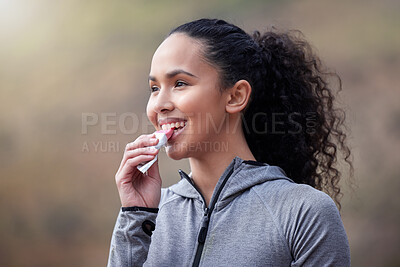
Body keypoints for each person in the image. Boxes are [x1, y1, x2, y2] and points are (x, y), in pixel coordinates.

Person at [107, 18, 353, 267]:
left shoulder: (304, 212)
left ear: (235, 96)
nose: (159, 104)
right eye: (154, 88)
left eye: (180, 83)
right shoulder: (147, 216)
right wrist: (137, 217)